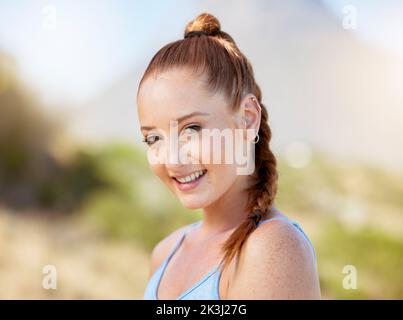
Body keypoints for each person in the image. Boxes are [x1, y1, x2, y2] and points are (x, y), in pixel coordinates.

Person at [137, 13, 321, 300]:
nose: (171, 160)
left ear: (247, 119)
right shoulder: (164, 253)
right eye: (153, 138)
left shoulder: (272, 247)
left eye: (192, 128)